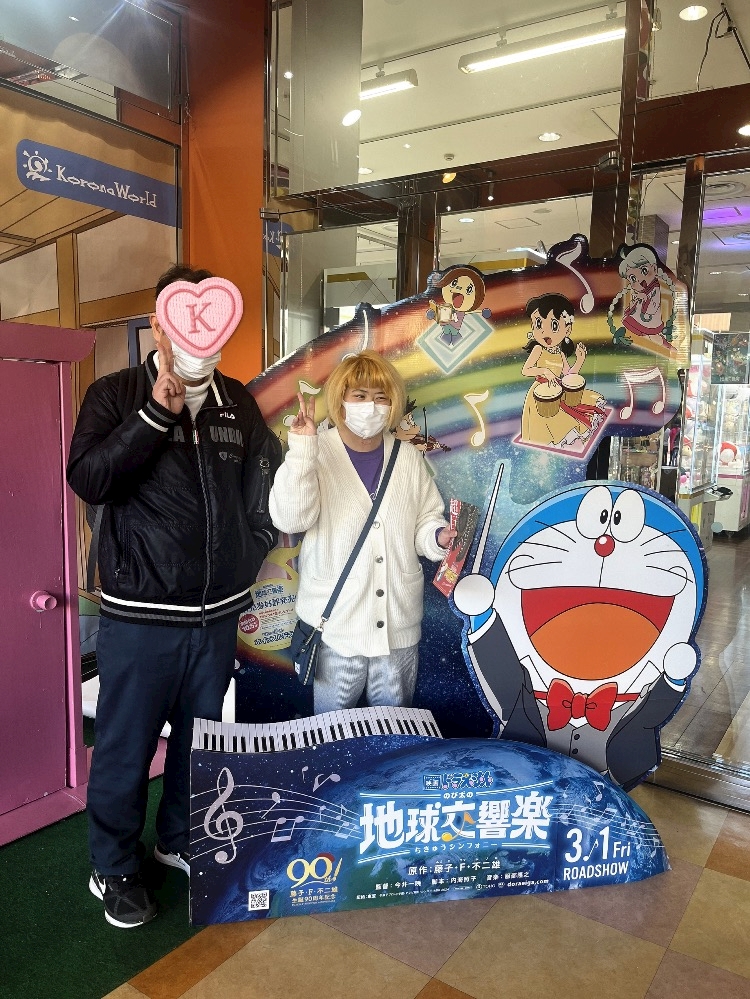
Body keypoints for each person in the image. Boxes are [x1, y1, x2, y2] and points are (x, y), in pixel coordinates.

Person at [67, 264, 282, 928]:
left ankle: (179, 837)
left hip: (216, 615)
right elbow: (89, 478)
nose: (197, 335)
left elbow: (265, 481)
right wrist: (154, 415)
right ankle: (114, 866)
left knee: (198, 738)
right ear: (160, 323)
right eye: (183, 320)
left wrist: (251, 546)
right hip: (141, 613)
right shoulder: (115, 393)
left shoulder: (236, 401)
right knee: (126, 746)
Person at [269, 350, 455, 715]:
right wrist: (302, 451)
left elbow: (424, 519)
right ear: (341, 399)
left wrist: (436, 537)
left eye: (381, 397)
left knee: (395, 730)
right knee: (332, 733)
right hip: (337, 628)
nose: (371, 406)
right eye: (360, 395)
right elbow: (290, 520)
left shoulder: (408, 458)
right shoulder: (316, 451)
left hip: (397, 629)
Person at [520, 293, 605, 448]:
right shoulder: (538, 349)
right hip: (540, 394)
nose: (544, 332)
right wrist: (544, 371)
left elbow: (568, 375)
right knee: (551, 421)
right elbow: (526, 370)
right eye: (538, 324)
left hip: (558, 390)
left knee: (579, 403)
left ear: (567, 330)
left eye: (553, 325)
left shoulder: (560, 353)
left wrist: (580, 361)